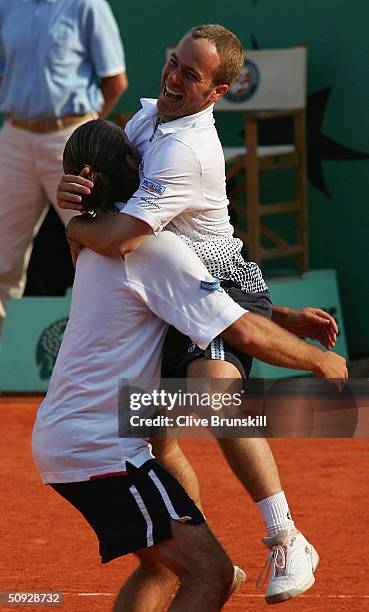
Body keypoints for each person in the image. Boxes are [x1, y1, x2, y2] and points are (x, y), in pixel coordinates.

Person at [57, 25, 340, 604]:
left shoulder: (187, 149)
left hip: (224, 288)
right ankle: (200, 545)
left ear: (219, 91)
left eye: (191, 74)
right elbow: (124, 233)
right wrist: (81, 193)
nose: (173, 77)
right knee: (148, 432)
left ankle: (286, 537)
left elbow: (126, 238)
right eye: (172, 63)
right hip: (177, 290)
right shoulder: (144, 122)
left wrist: (76, 225)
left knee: (213, 399)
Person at [0, 0, 127, 337]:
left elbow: (116, 80)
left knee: (99, 244)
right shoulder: (7, 6)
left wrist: (87, 133)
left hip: (70, 137)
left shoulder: (87, 5)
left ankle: (117, 349)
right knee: (2, 257)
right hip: (14, 137)